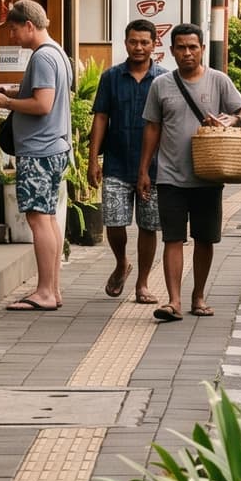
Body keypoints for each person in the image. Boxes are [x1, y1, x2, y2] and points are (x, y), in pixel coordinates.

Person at [137, 23, 241, 322]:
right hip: (170, 176)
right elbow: (152, 127)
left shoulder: (219, 81)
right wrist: (144, 170)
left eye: (193, 47)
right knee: (172, 239)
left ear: (202, 49)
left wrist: (231, 120)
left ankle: (198, 295)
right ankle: (173, 302)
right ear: (172, 50)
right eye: (181, 47)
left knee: (204, 239)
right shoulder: (160, 85)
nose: (187, 53)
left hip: (208, 175)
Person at [0, 0, 72, 312]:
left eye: (14, 29)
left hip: (40, 149)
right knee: (47, 218)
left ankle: (45, 291)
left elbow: (43, 104)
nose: (12, 36)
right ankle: (53, 289)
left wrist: (5, 102)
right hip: (54, 146)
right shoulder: (57, 52)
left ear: (29, 26)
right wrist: (11, 92)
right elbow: (44, 96)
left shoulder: (43, 57)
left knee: (37, 218)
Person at [90, 18, 165, 305]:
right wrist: (92, 160)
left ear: (154, 45)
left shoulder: (164, 79)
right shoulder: (111, 77)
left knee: (149, 225)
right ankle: (122, 262)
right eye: (133, 41)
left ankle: (143, 283)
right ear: (125, 43)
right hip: (117, 163)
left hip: (154, 166)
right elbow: (100, 117)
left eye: (144, 42)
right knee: (114, 222)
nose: (138, 47)